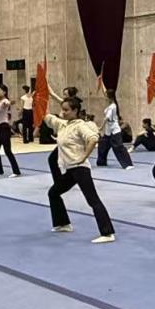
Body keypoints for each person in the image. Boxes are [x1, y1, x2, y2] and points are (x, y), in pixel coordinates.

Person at [44, 96, 116, 243]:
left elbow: (93, 138)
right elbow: (48, 118)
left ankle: (108, 233)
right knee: (53, 193)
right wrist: (39, 102)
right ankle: (63, 224)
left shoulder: (80, 125)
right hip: (70, 170)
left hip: (80, 169)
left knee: (92, 200)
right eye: (62, 109)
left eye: (66, 110)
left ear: (75, 110)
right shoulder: (63, 124)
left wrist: (83, 157)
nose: (63, 112)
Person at [96, 89, 135, 169]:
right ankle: (101, 162)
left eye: (106, 96)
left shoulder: (112, 106)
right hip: (108, 131)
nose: (104, 97)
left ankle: (128, 164)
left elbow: (106, 118)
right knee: (102, 145)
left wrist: (101, 127)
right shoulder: (109, 106)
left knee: (118, 147)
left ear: (109, 97)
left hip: (114, 130)